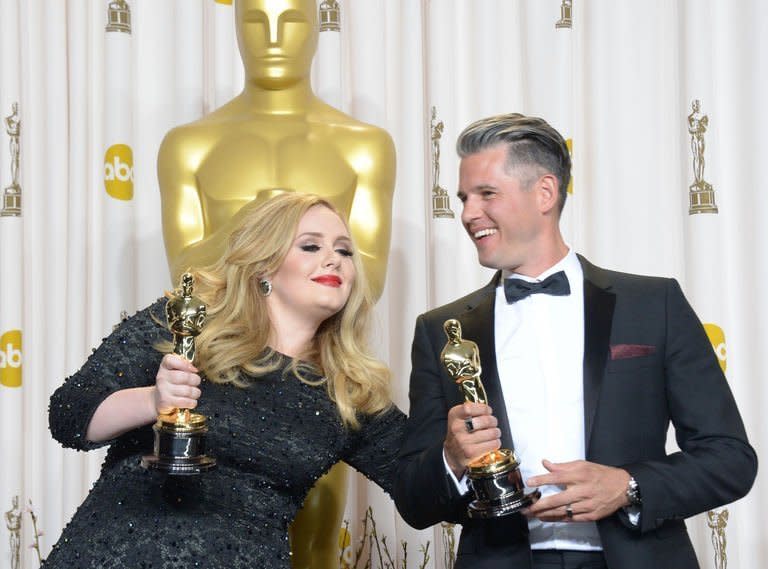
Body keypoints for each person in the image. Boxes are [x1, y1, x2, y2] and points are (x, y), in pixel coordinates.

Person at [394, 113, 757, 569]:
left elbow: (730, 460)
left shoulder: (653, 304)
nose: (467, 213)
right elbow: (413, 499)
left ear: (544, 192)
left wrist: (627, 485)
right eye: (465, 198)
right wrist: (451, 458)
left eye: (487, 194)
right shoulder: (442, 331)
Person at [44, 193, 405, 568]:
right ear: (263, 264)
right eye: (311, 246)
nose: (333, 259)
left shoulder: (350, 392)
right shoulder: (183, 324)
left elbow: (429, 479)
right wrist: (153, 401)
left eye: (345, 252)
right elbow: (69, 415)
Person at [157, 2, 396, 560]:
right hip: (214, 373)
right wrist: (263, 222)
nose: (271, 37)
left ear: (317, 27)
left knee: (315, 546)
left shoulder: (362, 144)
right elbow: (185, 278)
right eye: (254, 20)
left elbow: (370, 274)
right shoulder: (190, 143)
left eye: (290, 20)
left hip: (317, 378)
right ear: (234, 26)